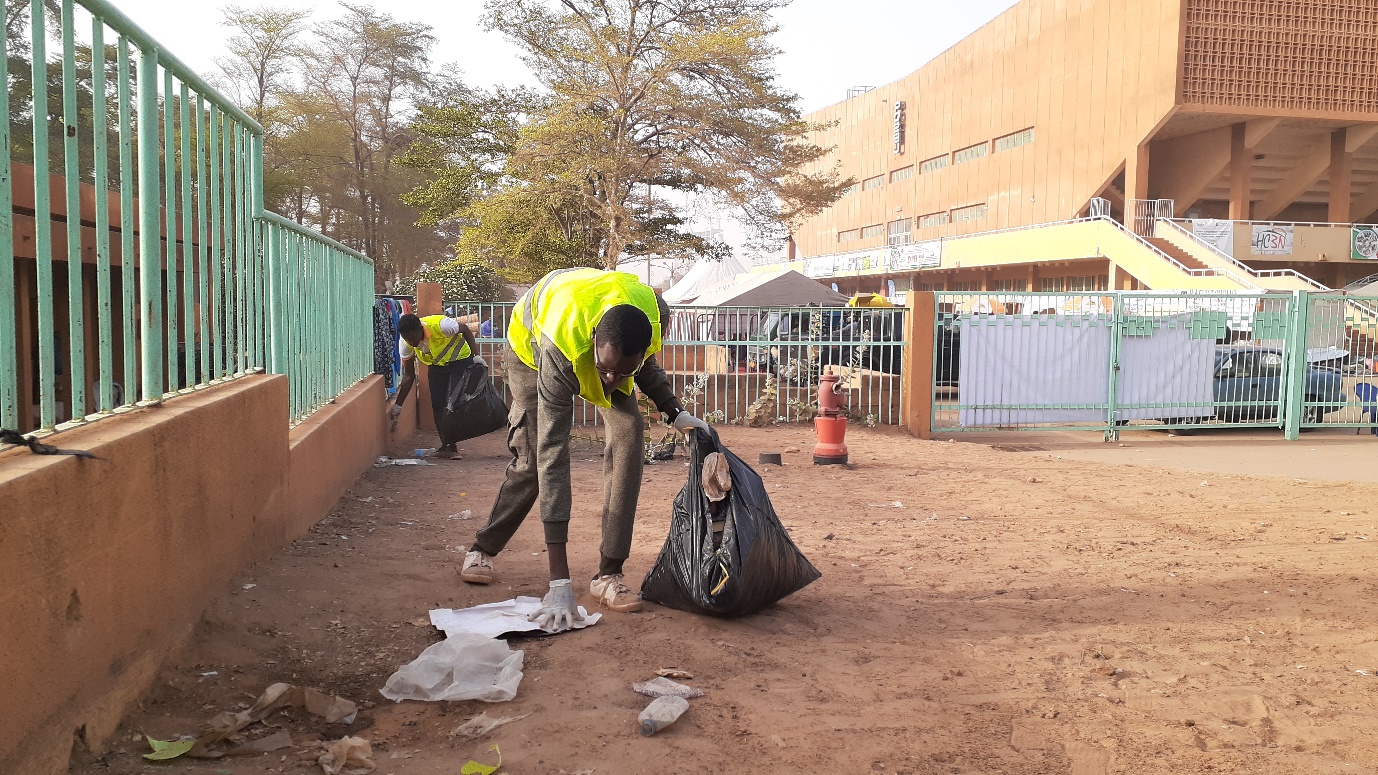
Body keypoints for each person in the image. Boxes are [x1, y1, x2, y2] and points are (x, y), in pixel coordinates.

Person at [459, 267, 709, 631]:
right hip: (531, 350)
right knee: (533, 461)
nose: (610, 381)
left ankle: (609, 573)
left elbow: (644, 367)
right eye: (606, 370)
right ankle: (483, 548)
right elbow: (553, 450)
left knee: (629, 434)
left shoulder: (649, 322)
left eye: (623, 372)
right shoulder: (560, 344)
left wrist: (677, 412)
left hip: (603, 344)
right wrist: (560, 582)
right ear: (594, 339)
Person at [388, 313, 479, 460]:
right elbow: (409, 375)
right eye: (407, 339)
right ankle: (446, 445)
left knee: (454, 402)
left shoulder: (443, 326)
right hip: (437, 365)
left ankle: (452, 445)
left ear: (420, 329)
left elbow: (465, 330)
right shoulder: (405, 345)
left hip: (460, 360)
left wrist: (475, 356)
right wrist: (398, 405)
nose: (411, 342)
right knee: (437, 405)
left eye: (412, 338)